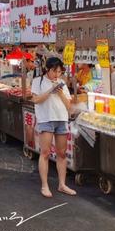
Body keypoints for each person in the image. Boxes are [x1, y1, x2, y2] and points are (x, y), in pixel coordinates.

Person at [30, 57, 76, 198]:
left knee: (61, 154)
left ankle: (62, 184)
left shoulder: (62, 83)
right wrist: (50, 91)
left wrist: (60, 92)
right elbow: (35, 100)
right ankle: (45, 185)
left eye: (59, 72)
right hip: (46, 119)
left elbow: (69, 107)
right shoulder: (38, 81)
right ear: (47, 70)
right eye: (54, 71)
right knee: (45, 153)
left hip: (61, 119)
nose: (57, 75)